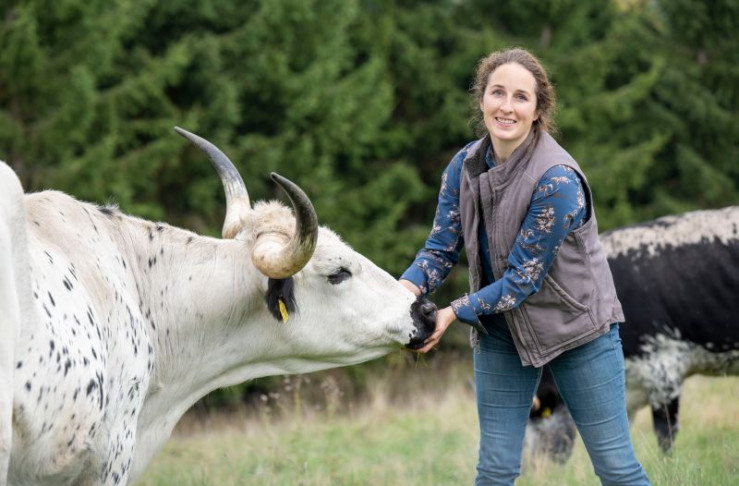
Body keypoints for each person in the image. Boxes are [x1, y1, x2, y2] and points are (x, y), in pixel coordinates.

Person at [399, 47, 651, 486]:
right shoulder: (463, 167)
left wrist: (453, 312)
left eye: (521, 97)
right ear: (482, 99)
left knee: (616, 469)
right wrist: (401, 292)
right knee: (495, 471)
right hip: (501, 334)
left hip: (578, 332)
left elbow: (521, 281)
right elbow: (440, 249)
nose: (507, 107)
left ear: (537, 111)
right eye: (498, 93)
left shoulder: (557, 179)